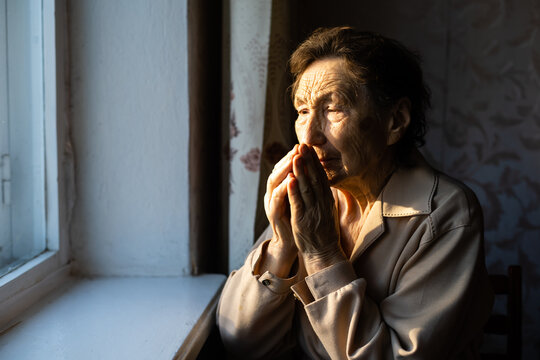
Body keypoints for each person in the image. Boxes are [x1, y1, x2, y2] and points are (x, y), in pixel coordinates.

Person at [217, 27, 494, 359]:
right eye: (302, 111)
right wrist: (282, 244)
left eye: (333, 109)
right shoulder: (316, 196)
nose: (308, 137)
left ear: (395, 121)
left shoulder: (446, 215)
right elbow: (240, 341)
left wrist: (322, 254)